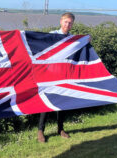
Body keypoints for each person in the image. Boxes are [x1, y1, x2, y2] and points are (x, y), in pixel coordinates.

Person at [36, 12, 75, 143]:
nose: (67, 25)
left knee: (61, 103)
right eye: (66, 22)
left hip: (64, 75)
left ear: (72, 24)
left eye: (70, 23)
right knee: (46, 103)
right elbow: (40, 45)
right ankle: (40, 131)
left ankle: (60, 129)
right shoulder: (52, 35)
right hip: (49, 75)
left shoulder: (73, 39)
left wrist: (88, 38)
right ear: (61, 22)